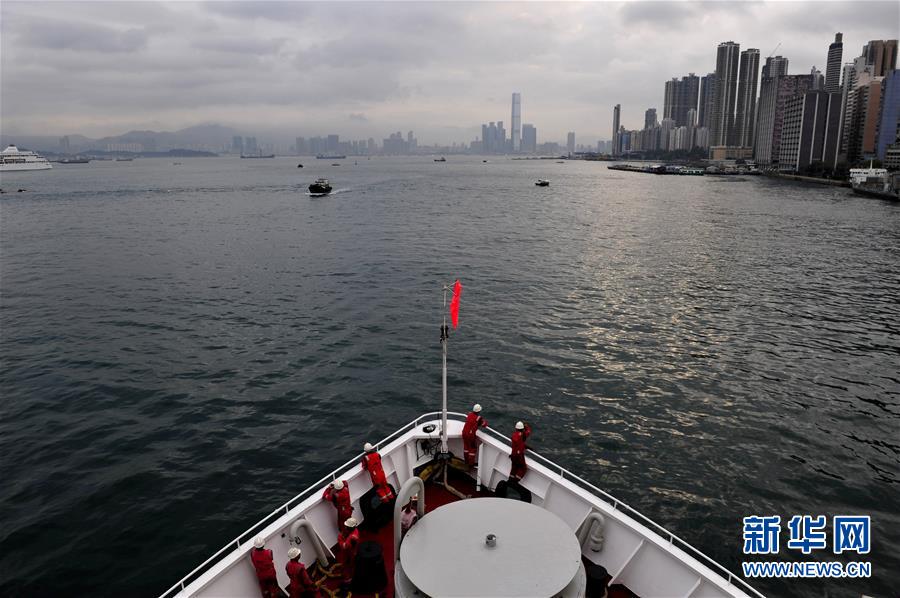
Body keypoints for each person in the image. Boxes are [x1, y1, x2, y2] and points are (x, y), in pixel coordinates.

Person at [338, 517, 361, 587]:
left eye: (347, 526)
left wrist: (340, 538)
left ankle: (348, 579)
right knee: (352, 564)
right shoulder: (356, 531)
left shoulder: (351, 538)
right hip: (354, 551)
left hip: (349, 553)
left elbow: (344, 547)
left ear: (351, 528)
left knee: (347, 566)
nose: (345, 527)